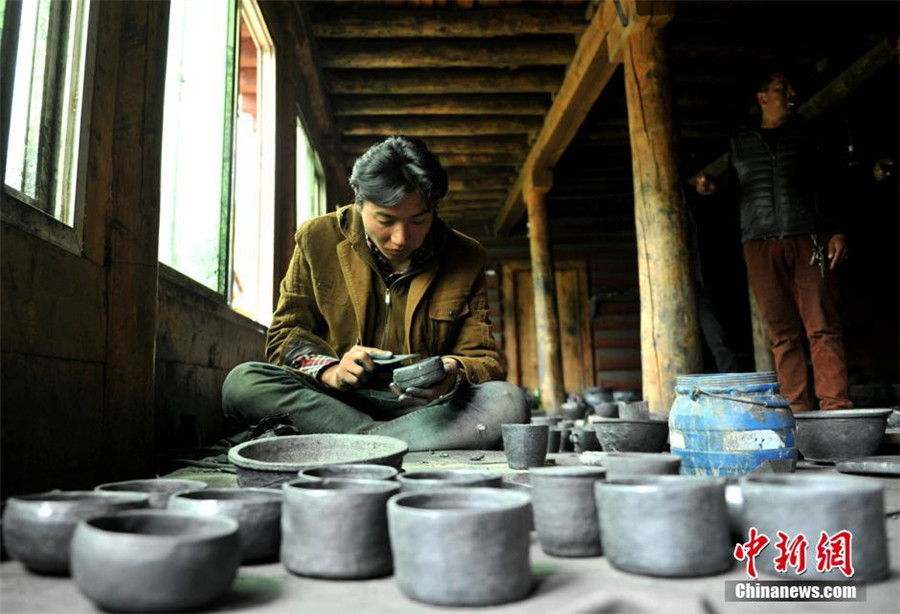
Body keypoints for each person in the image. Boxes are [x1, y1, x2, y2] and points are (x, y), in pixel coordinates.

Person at [221, 136, 528, 450]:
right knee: (243, 384)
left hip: (424, 409)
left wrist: (453, 373)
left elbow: (485, 359)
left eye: (419, 220)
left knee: (508, 402)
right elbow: (285, 336)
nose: (401, 237)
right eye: (385, 220)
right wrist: (330, 371)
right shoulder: (317, 239)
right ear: (359, 203)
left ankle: (362, 444)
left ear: (433, 210)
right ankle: (392, 442)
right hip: (335, 401)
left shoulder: (466, 255)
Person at [694, 69, 852, 412]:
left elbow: (830, 182)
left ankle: (835, 408)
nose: (791, 92)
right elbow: (732, 196)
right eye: (783, 88)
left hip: (808, 237)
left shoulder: (808, 134)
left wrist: (837, 229)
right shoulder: (739, 141)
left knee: (822, 326)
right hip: (759, 244)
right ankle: (796, 410)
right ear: (763, 97)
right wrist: (711, 190)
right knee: (782, 334)